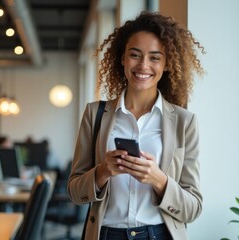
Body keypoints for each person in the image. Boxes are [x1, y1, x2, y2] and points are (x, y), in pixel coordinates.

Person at [67, 11, 205, 240]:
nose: (143, 65)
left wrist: (158, 179)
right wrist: (103, 171)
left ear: (167, 63)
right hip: (106, 234)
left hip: (159, 234)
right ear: (122, 58)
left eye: (154, 57)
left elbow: (193, 208)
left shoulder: (184, 122)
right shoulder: (95, 114)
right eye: (135, 55)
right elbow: (74, 191)